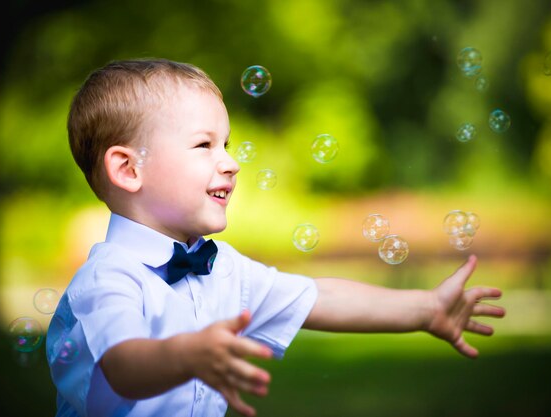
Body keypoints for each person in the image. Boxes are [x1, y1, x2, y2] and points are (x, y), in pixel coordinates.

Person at [46, 58, 505, 417]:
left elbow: (319, 298)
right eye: (204, 145)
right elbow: (124, 367)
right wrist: (188, 352)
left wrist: (426, 309)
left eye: (226, 144)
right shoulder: (109, 277)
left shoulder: (223, 268)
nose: (230, 162)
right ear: (128, 169)